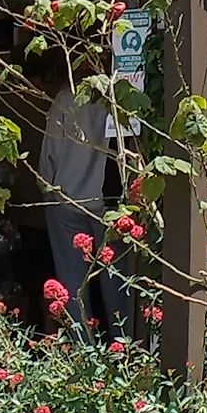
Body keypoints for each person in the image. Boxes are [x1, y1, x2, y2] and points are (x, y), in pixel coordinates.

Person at [41, 82, 121, 330]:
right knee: (119, 287)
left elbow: (48, 157)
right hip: (112, 205)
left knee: (72, 287)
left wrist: (48, 189)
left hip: (67, 199)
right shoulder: (125, 96)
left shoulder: (67, 98)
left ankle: (80, 353)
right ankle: (127, 352)